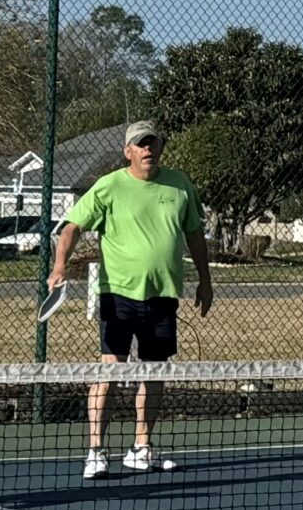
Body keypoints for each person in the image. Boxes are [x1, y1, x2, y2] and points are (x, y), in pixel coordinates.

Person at [46, 120, 215, 478]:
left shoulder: (180, 185)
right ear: (128, 151)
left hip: (163, 295)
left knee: (154, 372)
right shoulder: (109, 186)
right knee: (110, 369)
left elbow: (194, 234)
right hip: (118, 294)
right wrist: (59, 266)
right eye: (140, 144)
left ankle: (141, 447)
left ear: (161, 147)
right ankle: (95, 451)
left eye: (152, 142)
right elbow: (72, 227)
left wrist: (205, 280)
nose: (147, 148)